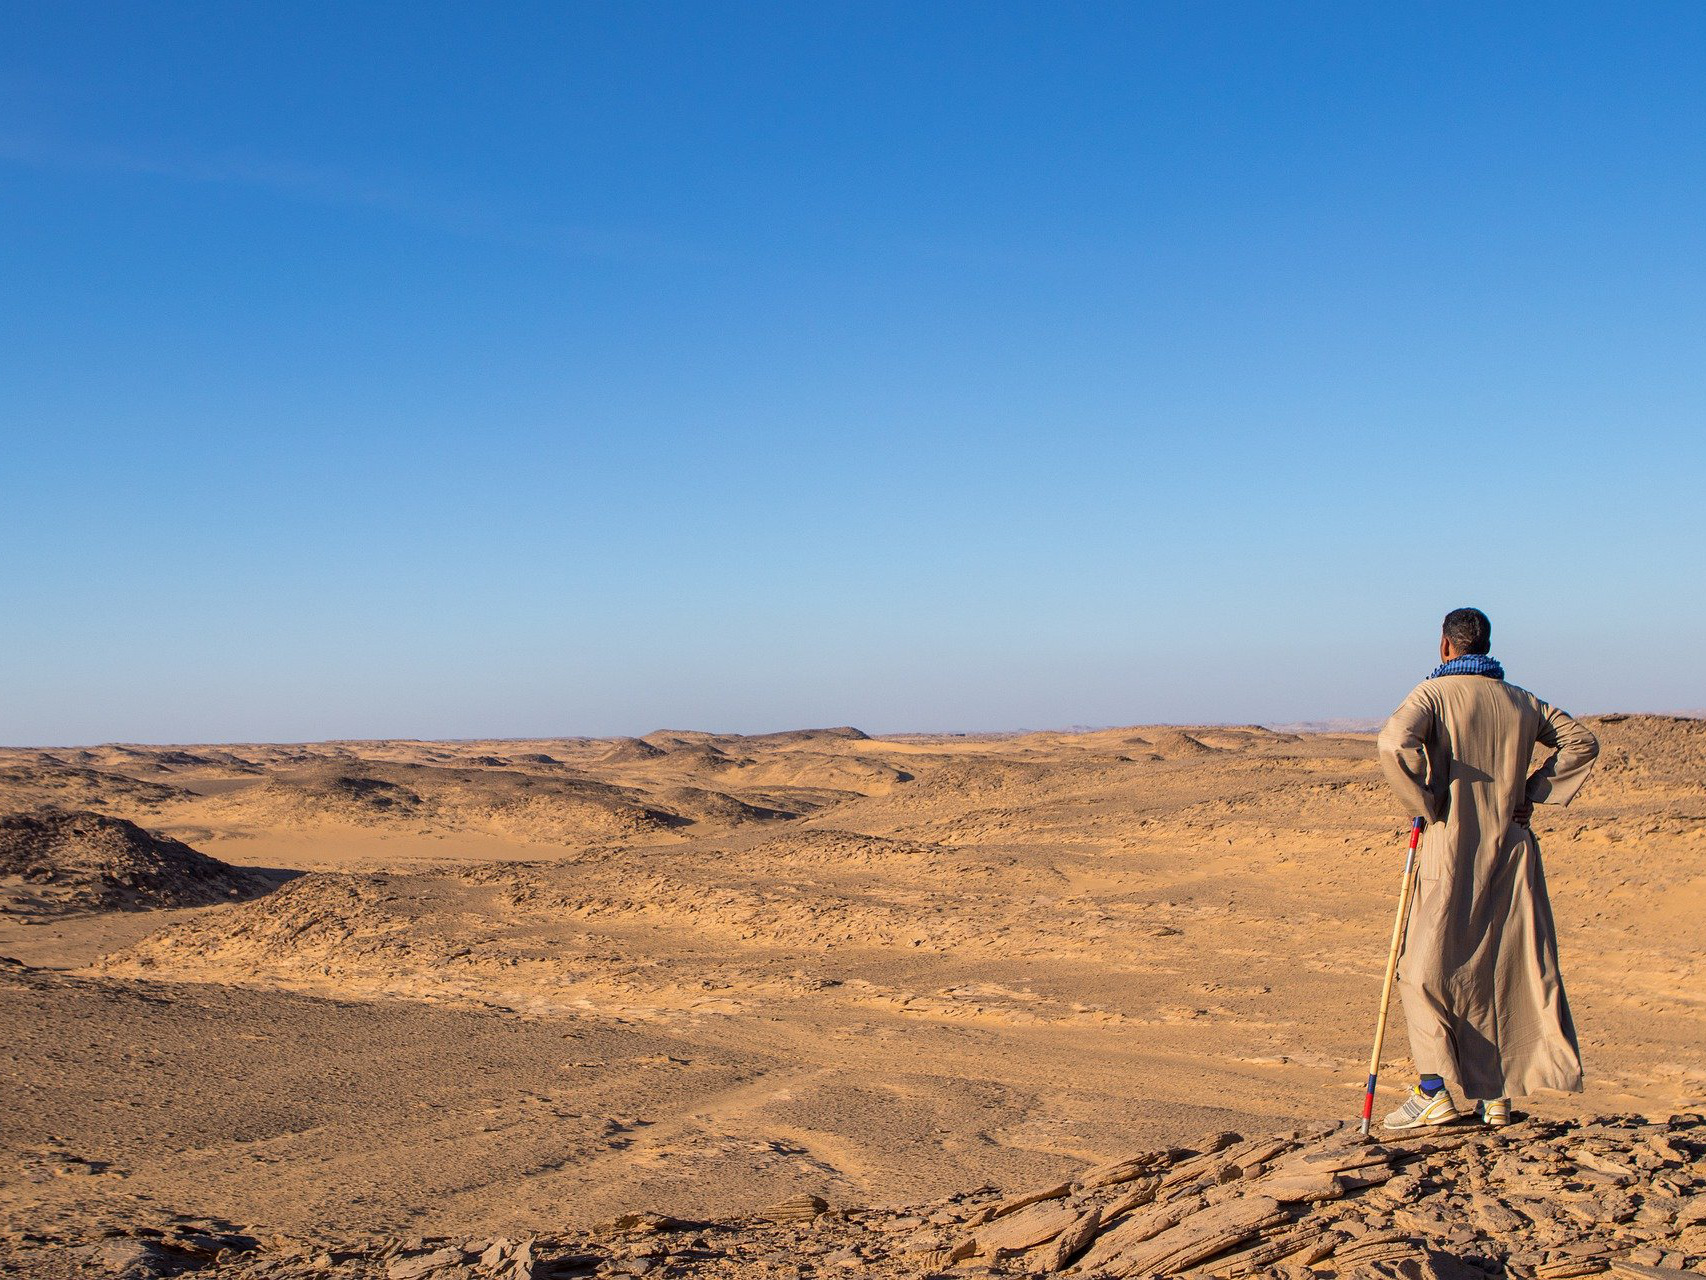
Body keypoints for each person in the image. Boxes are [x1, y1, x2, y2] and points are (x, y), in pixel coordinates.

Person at [1375, 607, 1599, 1129]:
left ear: (1445, 647)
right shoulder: (1522, 700)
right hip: (1513, 849)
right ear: (1487, 644)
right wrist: (1532, 791)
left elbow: (1392, 742)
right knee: (1504, 968)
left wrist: (1427, 802)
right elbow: (1582, 741)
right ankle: (1495, 1096)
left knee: (1421, 970)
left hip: (1452, 846)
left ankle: (1433, 1089)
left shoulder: (1432, 695)